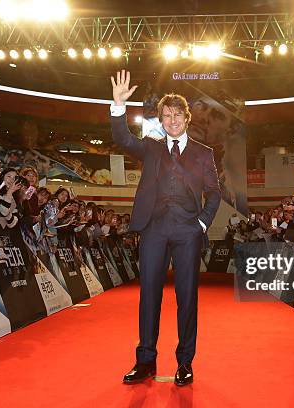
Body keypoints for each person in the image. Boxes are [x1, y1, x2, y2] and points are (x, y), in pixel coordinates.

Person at [110, 70, 221, 386]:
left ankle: (184, 362)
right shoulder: (152, 147)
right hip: (154, 229)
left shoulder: (204, 153)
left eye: (177, 115)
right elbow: (122, 138)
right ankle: (145, 360)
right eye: (166, 115)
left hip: (188, 230)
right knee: (149, 297)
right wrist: (118, 106)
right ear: (161, 119)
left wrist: (202, 222)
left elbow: (214, 191)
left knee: (187, 298)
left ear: (187, 118)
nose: (172, 120)